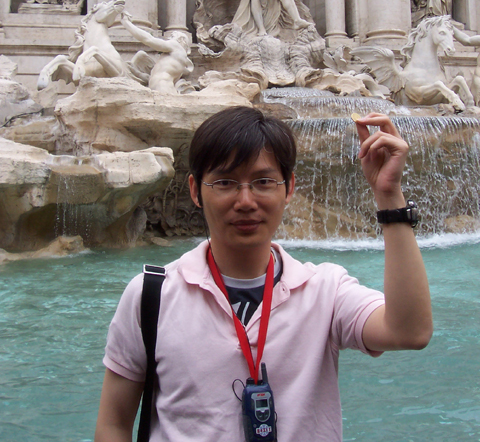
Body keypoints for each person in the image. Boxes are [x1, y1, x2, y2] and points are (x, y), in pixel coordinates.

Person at [95, 106, 432, 442]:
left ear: (289, 188)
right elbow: (113, 425)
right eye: (225, 182)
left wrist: (389, 195)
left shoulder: (325, 291)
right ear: (196, 191)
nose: (245, 200)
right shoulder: (150, 294)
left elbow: (409, 332)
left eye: (263, 182)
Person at [120, 11, 194, 94]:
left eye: (172, 36)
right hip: (163, 88)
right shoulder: (176, 59)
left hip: (162, 88)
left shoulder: (176, 46)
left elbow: (148, 39)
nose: (169, 39)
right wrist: (135, 72)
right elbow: (153, 77)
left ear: (181, 40)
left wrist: (127, 24)